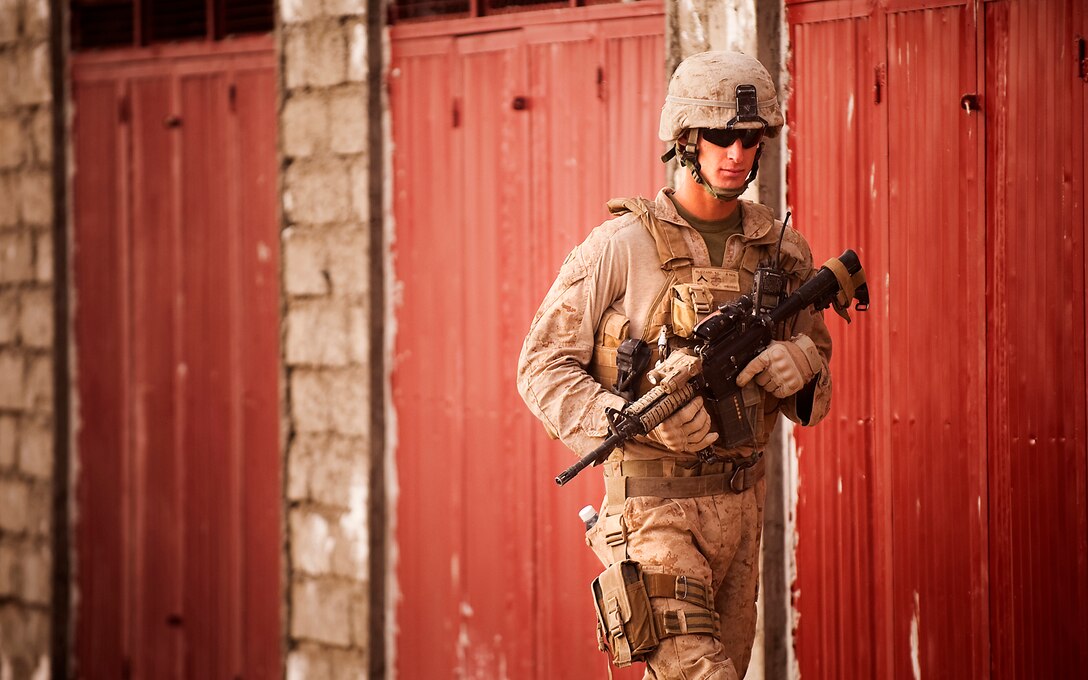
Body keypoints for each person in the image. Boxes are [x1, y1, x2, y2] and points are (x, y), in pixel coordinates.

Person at [516, 51, 834, 680]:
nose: (736, 153)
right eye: (719, 135)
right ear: (685, 139)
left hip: (741, 518)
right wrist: (632, 416)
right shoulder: (618, 247)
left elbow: (817, 388)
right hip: (652, 514)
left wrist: (803, 365)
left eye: (749, 138)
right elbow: (541, 369)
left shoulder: (783, 251)